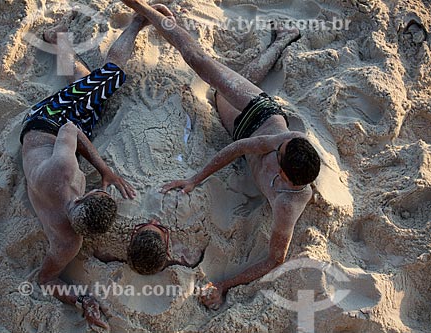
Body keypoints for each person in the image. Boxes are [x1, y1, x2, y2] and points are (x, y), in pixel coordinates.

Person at [119, 0, 321, 310]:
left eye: (277, 151)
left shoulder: (286, 206)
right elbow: (240, 148)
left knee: (218, 93)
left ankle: (281, 40)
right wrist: (194, 179)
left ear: (282, 174)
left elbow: (273, 259)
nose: (278, 144)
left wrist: (224, 284)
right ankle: (146, 10)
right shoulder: (290, 139)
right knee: (201, 63)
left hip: (241, 130)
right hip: (259, 112)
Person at [21, 6, 172, 330]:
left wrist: (104, 171)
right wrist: (81, 300)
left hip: (44, 122)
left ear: (81, 200)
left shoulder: (62, 170)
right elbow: (47, 279)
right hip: (56, 132)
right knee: (100, 81)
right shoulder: (67, 244)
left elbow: (70, 129)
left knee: (104, 79)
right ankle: (118, 26)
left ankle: (123, 25)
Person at [94, 219, 204, 275]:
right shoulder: (189, 257)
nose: (153, 221)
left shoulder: (103, 252)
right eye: (160, 227)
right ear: (167, 250)